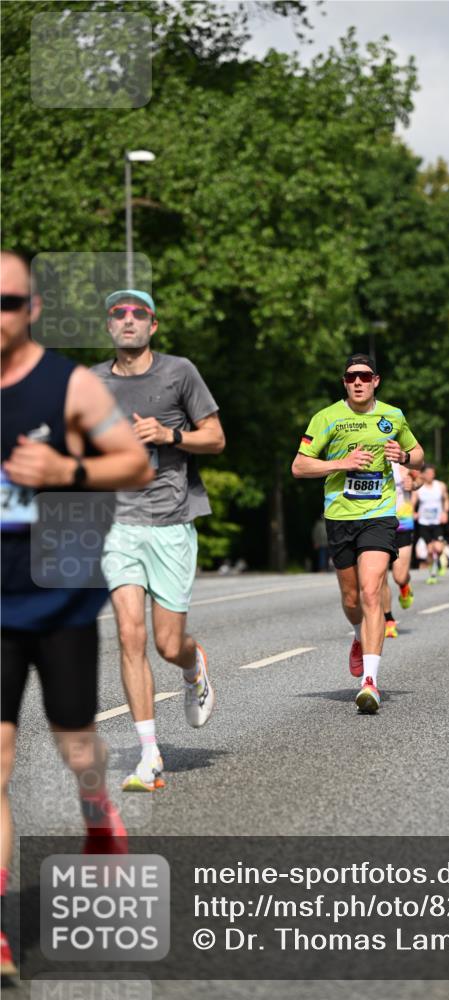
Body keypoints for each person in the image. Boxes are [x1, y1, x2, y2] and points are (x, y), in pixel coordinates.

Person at [1, 252, 153, 977]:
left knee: (76, 744)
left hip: (59, 590)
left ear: (30, 308)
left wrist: (66, 471)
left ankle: (97, 811)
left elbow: (135, 464)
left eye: (7, 301)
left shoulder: (69, 385)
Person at [91, 289, 225, 792]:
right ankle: (150, 755)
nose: (128, 321)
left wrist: (171, 436)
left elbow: (215, 438)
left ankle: (194, 666)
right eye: (118, 314)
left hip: (171, 521)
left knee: (168, 644)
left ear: (154, 324)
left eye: (137, 313)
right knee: (130, 635)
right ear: (109, 327)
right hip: (117, 523)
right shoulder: (91, 382)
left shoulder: (179, 373)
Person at [292, 354, 423, 713]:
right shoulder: (327, 417)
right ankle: (357, 636)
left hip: (379, 515)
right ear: (344, 382)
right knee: (352, 600)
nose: (358, 382)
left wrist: (406, 458)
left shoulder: (393, 416)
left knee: (371, 590)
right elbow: (299, 465)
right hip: (339, 517)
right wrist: (341, 463)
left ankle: (370, 682)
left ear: (376, 380)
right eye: (351, 377)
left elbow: (418, 453)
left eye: (364, 376)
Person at [383, 463, 421, 638]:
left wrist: (413, 484)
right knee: (379, 576)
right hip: (378, 526)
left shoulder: (401, 464)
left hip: (402, 525)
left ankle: (405, 585)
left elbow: (419, 478)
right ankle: (388, 620)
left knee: (399, 576)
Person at [414, 464, 449, 584]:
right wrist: (413, 512)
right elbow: (413, 502)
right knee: (429, 549)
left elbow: (446, 499)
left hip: (437, 521)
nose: (430, 475)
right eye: (428, 473)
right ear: (423, 474)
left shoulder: (440, 486)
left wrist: (445, 512)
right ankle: (432, 573)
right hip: (424, 522)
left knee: (438, 548)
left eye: (432, 473)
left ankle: (439, 560)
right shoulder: (419, 488)